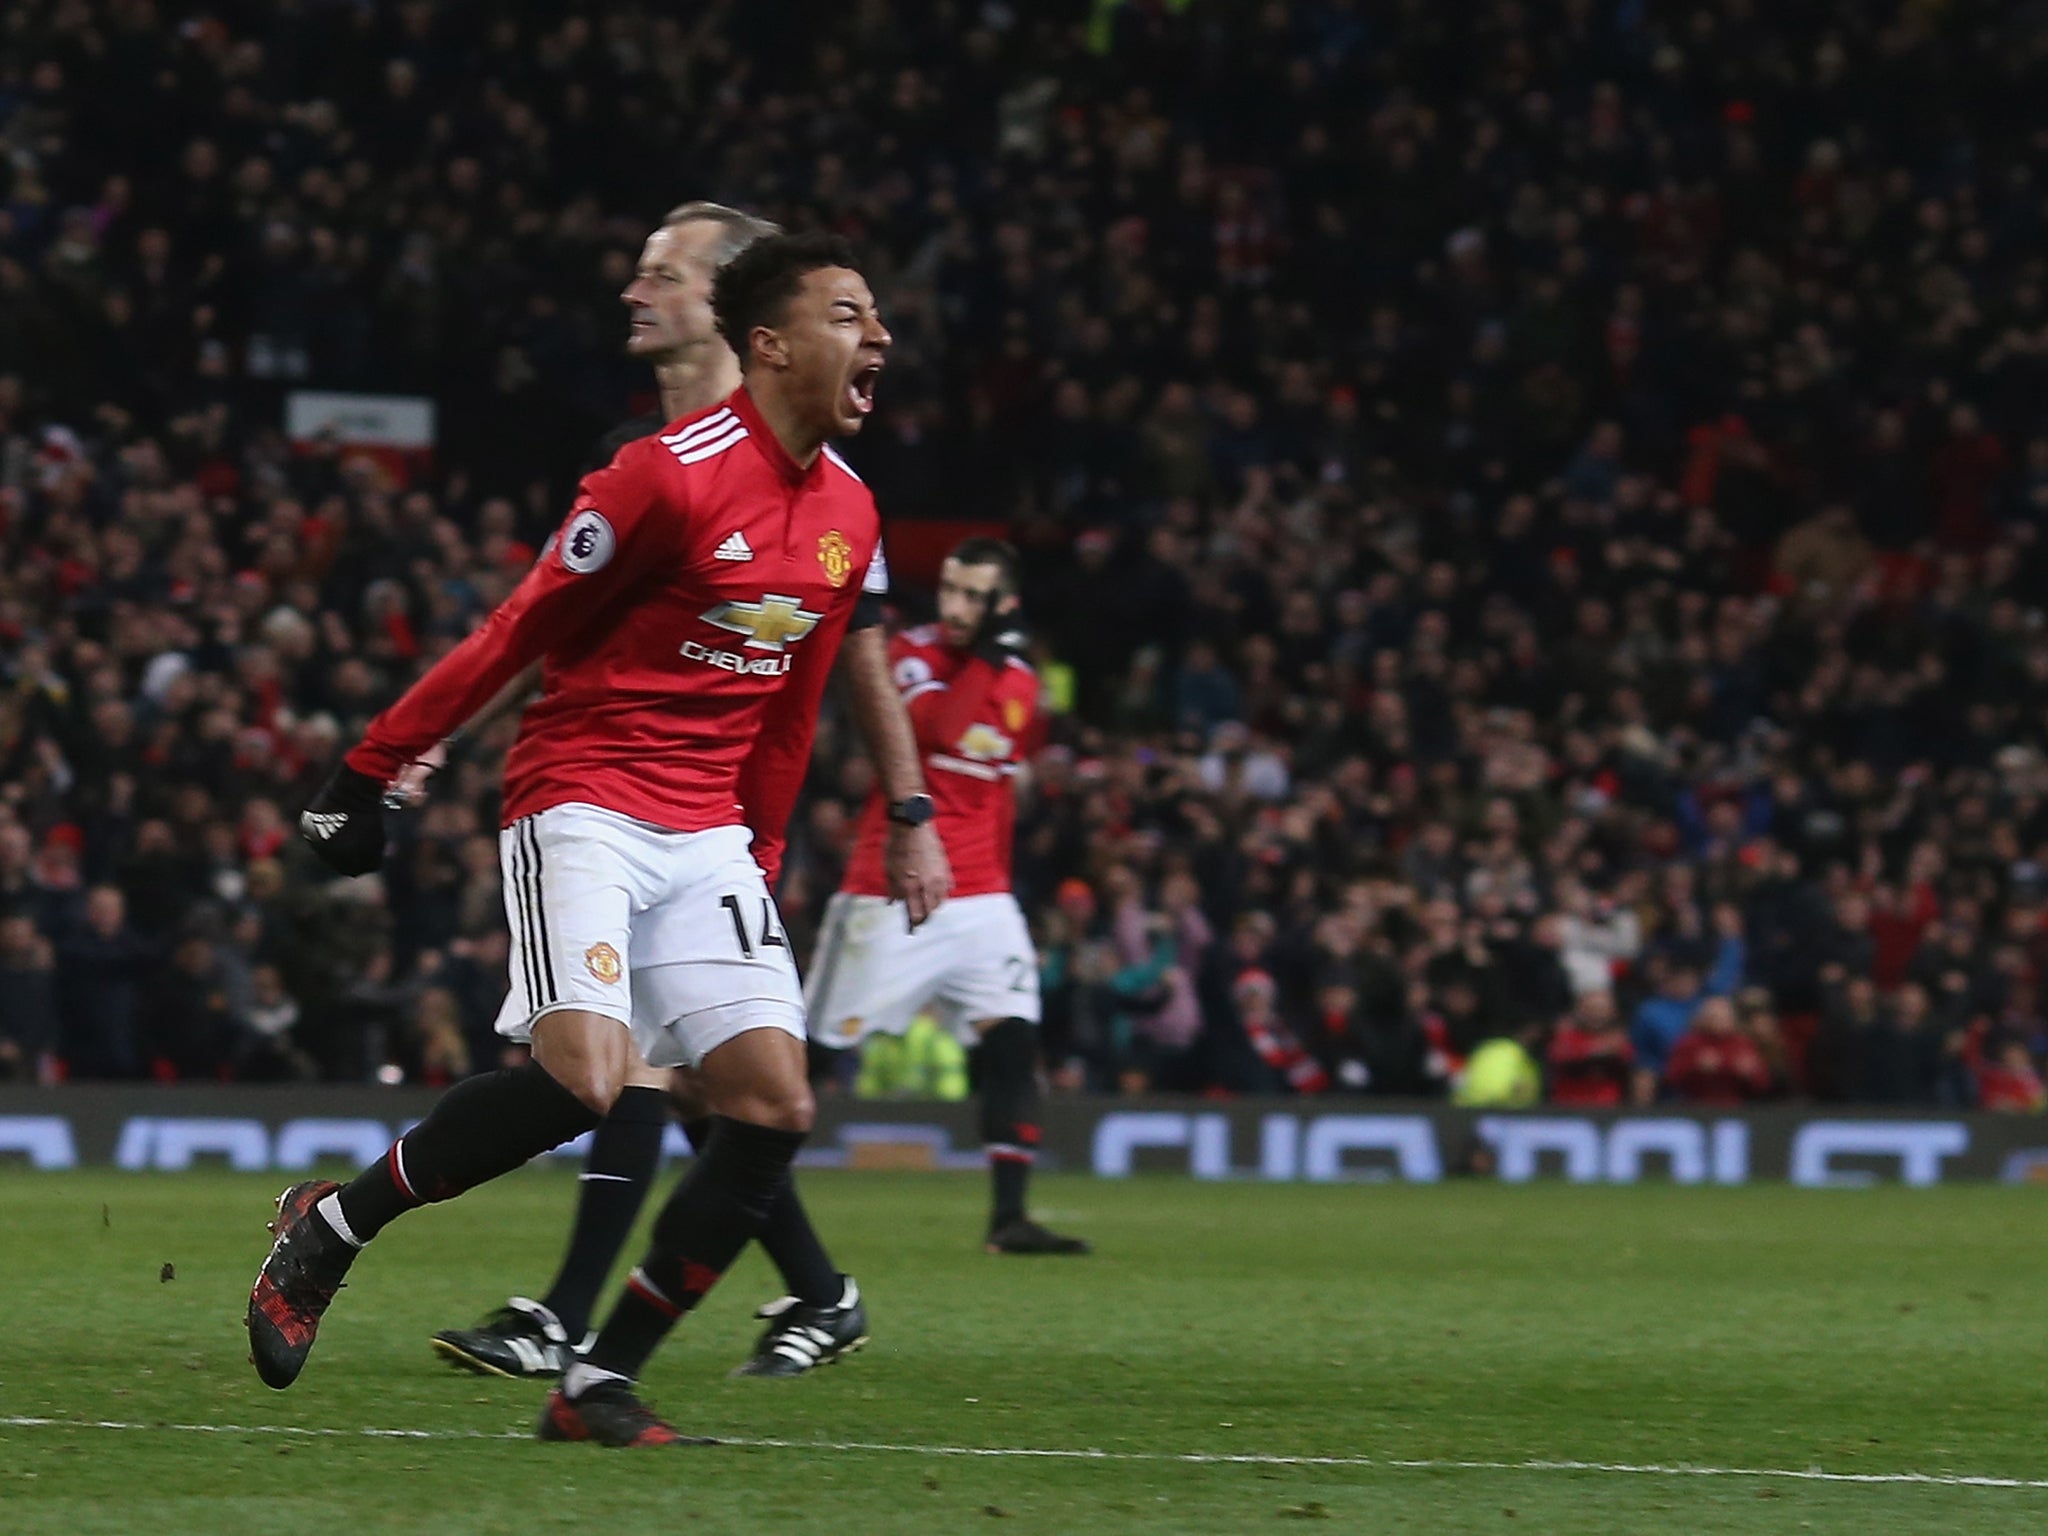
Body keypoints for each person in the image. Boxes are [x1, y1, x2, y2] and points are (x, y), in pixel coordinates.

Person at [248, 231, 952, 1452]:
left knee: (772, 1107)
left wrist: (763, 852)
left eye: (877, 314)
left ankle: (593, 1386)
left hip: (710, 835)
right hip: (582, 797)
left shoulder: (849, 511)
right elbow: (516, 629)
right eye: (851, 313)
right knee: (582, 1078)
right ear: (772, 347)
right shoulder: (661, 477)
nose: (878, 335)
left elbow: (790, 707)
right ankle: (328, 1236)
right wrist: (364, 770)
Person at [422, 204, 917, 1385]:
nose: (638, 292)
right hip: (616, 793)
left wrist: (904, 810)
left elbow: (850, 655)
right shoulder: (638, 458)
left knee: (670, 1077)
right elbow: (551, 636)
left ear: (737, 309)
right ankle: (799, 1294)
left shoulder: (824, 484)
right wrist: (439, 737)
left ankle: (575, 1324)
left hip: (720, 812)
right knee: (677, 1080)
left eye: (666, 273)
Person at [807, 538, 1089, 1255]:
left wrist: (1004, 663)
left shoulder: (1023, 680)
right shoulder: (910, 653)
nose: (956, 607)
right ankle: (732, 1166)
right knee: (811, 1051)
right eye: (952, 590)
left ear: (1004, 605)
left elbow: (996, 782)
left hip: (983, 898)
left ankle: (1009, 1218)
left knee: (1014, 1035)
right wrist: (993, 657)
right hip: (888, 890)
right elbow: (938, 729)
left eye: (974, 595)